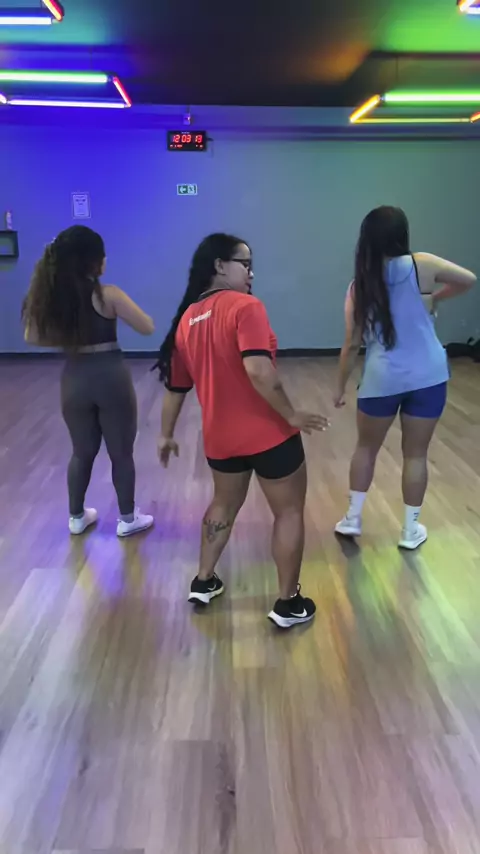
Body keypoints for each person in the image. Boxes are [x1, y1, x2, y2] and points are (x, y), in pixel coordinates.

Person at [154, 233, 329, 628]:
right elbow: (258, 369)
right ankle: (288, 603)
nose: (251, 273)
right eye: (245, 264)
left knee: (222, 506)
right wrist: (291, 414)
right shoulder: (247, 307)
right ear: (220, 265)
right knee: (288, 512)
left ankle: (203, 580)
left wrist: (165, 434)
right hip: (269, 436)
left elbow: (176, 388)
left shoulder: (186, 320)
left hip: (221, 441)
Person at [334, 206, 476, 549]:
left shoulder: (359, 285)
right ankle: (410, 531)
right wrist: (434, 297)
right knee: (416, 455)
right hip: (428, 376)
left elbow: (351, 343)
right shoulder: (422, 264)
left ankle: (352, 518)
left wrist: (339, 387)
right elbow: (468, 279)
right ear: (402, 234)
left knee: (366, 449)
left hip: (382, 379)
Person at [22, 225, 155, 537]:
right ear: (94, 261)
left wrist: (69, 339)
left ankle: (77, 517)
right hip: (110, 377)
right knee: (121, 452)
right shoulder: (108, 295)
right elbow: (146, 327)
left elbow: (32, 337)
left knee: (81, 451)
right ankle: (127, 518)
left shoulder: (54, 301)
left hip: (74, 378)